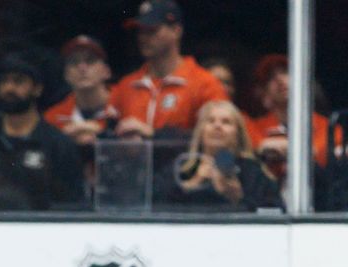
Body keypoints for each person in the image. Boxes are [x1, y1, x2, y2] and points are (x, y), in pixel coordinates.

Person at [0, 54, 84, 210]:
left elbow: (71, 204)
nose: (9, 88)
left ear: (37, 89)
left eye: (18, 81)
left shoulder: (58, 144)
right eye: (4, 81)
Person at [110, 0, 228, 140]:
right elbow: (108, 137)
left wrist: (155, 135)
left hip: (184, 162)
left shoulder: (205, 84)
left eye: (152, 30)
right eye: (140, 31)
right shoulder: (126, 86)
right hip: (132, 162)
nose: (143, 37)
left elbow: (218, 139)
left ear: (176, 31)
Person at [153, 100, 283, 212]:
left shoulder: (253, 171)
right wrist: (192, 184)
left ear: (237, 134)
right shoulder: (182, 167)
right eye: (210, 121)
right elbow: (154, 204)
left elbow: (276, 211)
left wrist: (239, 199)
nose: (217, 126)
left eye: (226, 122)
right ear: (201, 131)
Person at [44, 35, 116, 145]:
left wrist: (101, 133)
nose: (82, 67)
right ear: (66, 75)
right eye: (74, 62)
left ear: (107, 71)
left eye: (90, 60)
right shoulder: (53, 117)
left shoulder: (126, 105)